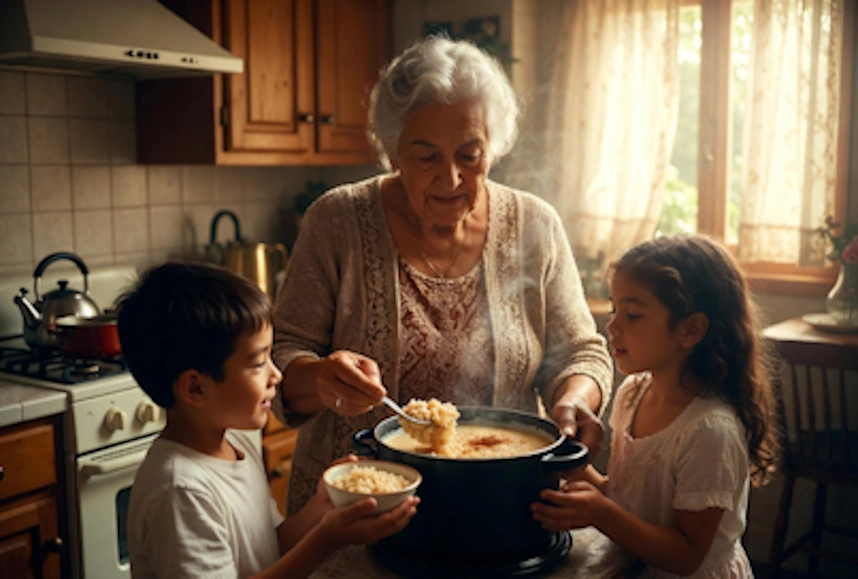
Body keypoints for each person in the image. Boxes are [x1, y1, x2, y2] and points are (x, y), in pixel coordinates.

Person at [272, 35, 614, 516]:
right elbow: (282, 355)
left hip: (500, 502)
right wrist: (321, 378)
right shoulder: (337, 221)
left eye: (469, 155)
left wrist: (576, 398)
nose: (451, 178)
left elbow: (581, 350)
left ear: (492, 148)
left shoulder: (535, 225)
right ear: (393, 153)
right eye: (427, 156)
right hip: (353, 511)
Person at [116, 262, 418, 579]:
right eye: (258, 362)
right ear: (195, 387)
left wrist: (323, 507)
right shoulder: (180, 492)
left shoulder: (236, 444)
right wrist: (326, 540)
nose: (276, 374)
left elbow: (269, 548)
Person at [531, 235, 779, 577]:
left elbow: (686, 555)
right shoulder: (633, 394)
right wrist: (574, 467)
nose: (612, 326)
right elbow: (627, 501)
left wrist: (601, 513)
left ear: (690, 330)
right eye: (615, 309)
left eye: (632, 315)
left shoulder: (710, 430)